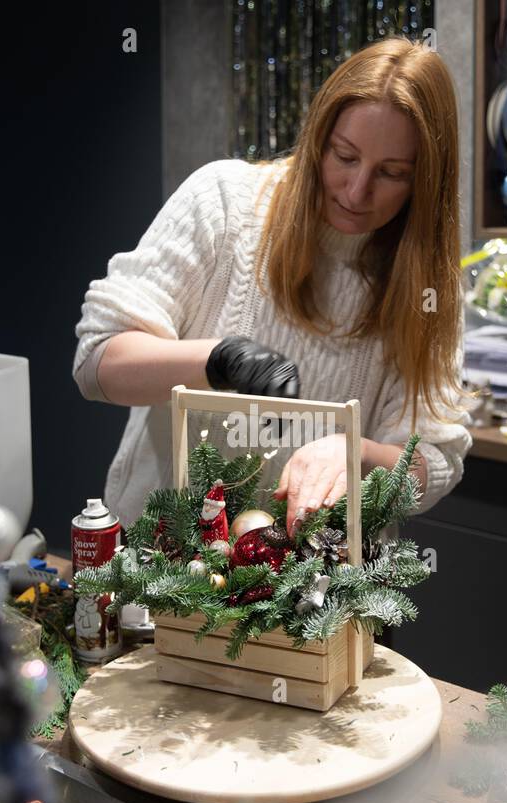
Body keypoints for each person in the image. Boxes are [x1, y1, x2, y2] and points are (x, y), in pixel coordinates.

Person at [74, 37, 476, 535]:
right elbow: (97, 364)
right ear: (318, 139)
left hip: (317, 595)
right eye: (344, 156)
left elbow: (437, 460)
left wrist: (359, 455)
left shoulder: (428, 289)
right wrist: (218, 360)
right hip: (161, 568)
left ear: (424, 181)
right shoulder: (223, 203)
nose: (356, 191)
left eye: (392, 174)